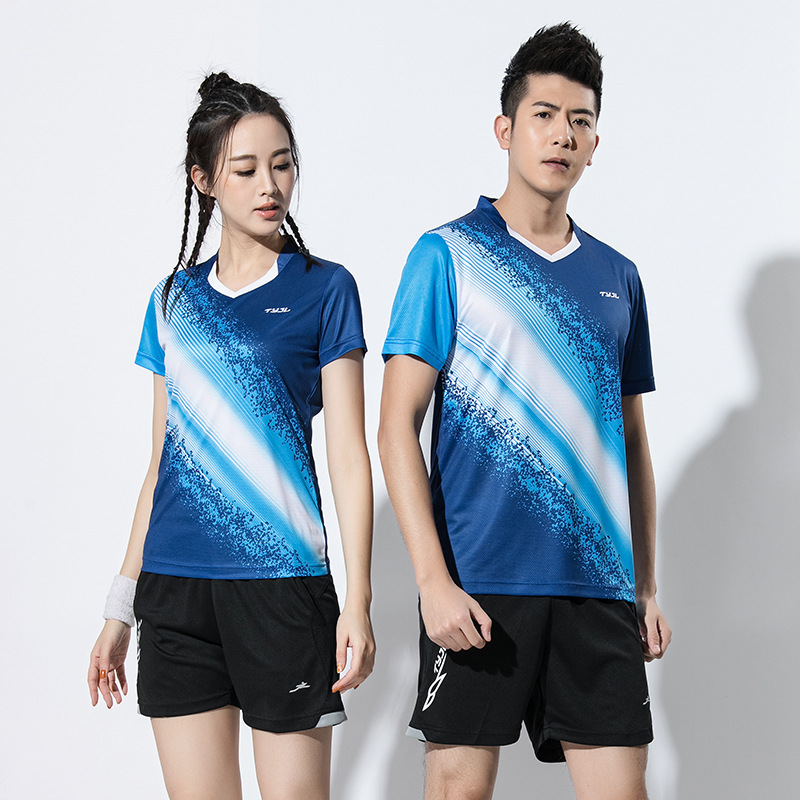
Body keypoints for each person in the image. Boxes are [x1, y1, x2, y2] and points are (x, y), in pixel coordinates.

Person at [378, 23, 670, 800]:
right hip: (479, 582)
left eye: (579, 120)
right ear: (505, 129)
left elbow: (632, 440)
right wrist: (432, 581)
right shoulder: (447, 255)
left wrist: (646, 586)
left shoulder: (618, 277)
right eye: (544, 115)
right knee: (457, 789)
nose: (562, 134)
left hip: (597, 585)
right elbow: (396, 425)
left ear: (595, 143)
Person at [87, 73, 375, 800]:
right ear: (204, 179)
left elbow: (348, 455)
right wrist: (120, 606)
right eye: (245, 170)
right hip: (175, 595)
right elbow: (161, 461)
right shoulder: (172, 301)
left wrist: (359, 599)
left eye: (282, 165)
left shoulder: (325, 288)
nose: (269, 186)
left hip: (283, 588)